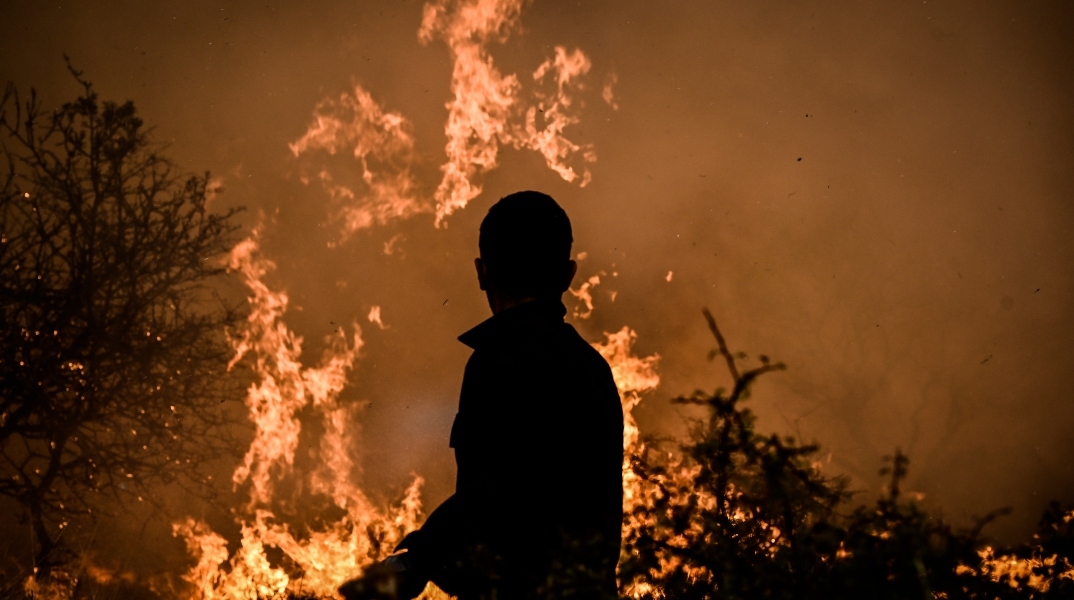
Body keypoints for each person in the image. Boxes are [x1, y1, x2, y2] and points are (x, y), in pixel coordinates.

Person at [339, 191, 624, 600]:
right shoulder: (592, 367)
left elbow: (499, 493)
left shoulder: (502, 360)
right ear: (568, 274)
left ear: (481, 272)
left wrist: (414, 561)